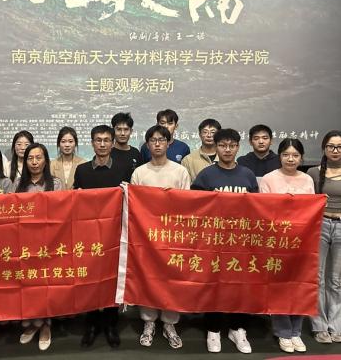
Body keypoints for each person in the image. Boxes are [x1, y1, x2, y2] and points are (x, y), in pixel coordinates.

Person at [191, 128, 257, 354]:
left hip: (241, 241)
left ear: (238, 147)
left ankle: (238, 328)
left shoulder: (248, 175)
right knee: (214, 285)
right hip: (214, 241)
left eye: (232, 145)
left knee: (241, 286)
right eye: (222, 145)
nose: (227, 150)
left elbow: (258, 208)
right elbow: (194, 207)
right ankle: (213, 329)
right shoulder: (206, 175)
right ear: (216, 147)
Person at [130, 125, 191, 349]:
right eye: (153, 140)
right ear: (147, 144)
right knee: (148, 278)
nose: (157, 144)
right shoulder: (139, 173)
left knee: (171, 279)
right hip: (146, 235)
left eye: (161, 140)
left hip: (173, 235)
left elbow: (187, 205)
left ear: (168, 143)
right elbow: (134, 205)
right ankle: (148, 322)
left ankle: (170, 323)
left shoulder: (180, 171)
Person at [73, 125, 131, 348]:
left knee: (111, 279)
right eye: (98, 140)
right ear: (92, 143)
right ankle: (91, 324)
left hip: (114, 233)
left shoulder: (123, 169)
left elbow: (130, 200)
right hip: (87, 235)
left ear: (112, 142)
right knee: (88, 278)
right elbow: (75, 201)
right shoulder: (82, 170)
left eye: (107, 140)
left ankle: (110, 324)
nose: (103, 144)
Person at [259, 138, 315, 354]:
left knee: (300, 285)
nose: (290, 159)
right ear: (279, 156)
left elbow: (311, 210)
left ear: (301, 158)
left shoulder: (307, 179)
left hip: (302, 241)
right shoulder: (268, 179)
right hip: (277, 242)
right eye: (286, 155)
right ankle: (283, 331)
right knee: (280, 286)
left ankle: (296, 331)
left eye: (295, 155)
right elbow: (264, 211)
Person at [307, 130, 341, 344]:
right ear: (324, 148)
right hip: (320, 226)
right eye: (331, 146)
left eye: (339, 146)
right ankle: (319, 326)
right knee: (317, 278)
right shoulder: (313, 172)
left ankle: (336, 327)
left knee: (337, 281)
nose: (335, 150)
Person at [14, 143, 63, 350]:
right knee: (29, 285)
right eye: (30, 158)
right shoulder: (18, 183)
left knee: (46, 285)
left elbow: (62, 212)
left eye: (38, 157)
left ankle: (45, 326)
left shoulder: (56, 183)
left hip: (49, 243)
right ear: (25, 161)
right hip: (24, 243)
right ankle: (34, 323)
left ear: (45, 160)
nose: (34, 162)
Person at [110, 112, 143, 179]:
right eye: (119, 129)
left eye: (126, 129)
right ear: (113, 130)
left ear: (131, 131)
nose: (122, 133)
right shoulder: (107, 153)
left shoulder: (136, 153)